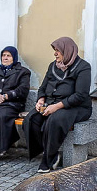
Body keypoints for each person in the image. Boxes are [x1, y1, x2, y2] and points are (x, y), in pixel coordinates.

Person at [23, 37, 92, 173]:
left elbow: (80, 95)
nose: (55, 53)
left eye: (58, 50)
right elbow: (43, 87)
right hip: (50, 104)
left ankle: (48, 159)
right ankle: (47, 151)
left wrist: (57, 106)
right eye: (54, 50)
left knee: (55, 120)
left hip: (76, 107)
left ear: (67, 51)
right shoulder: (53, 66)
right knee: (31, 119)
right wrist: (40, 100)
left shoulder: (83, 67)